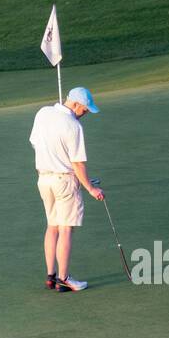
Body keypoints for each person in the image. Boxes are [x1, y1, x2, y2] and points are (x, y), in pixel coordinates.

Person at [28, 86, 105, 292]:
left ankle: (51, 276)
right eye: (85, 109)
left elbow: (35, 143)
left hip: (44, 180)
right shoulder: (73, 126)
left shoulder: (42, 113)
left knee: (52, 226)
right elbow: (78, 164)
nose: (86, 113)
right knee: (65, 229)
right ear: (76, 104)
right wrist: (90, 188)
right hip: (65, 182)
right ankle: (64, 279)